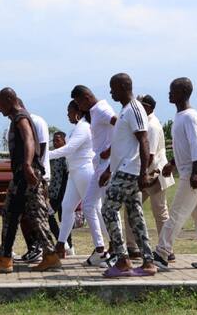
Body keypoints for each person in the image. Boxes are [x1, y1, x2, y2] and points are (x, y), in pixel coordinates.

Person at [0, 87, 61, 273]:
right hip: (24, 174)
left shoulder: (20, 117)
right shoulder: (19, 117)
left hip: (26, 174)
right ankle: (6, 257)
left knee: (29, 215)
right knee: (13, 213)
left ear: (10, 99)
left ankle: (47, 256)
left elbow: (29, 140)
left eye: (0, 104)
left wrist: (26, 165)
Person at [152, 78, 197, 269]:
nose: (169, 93)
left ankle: (161, 253)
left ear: (183, 92)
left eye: (172, 90)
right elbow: (184, 146)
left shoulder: (190, 116)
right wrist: (172, 163)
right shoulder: (181, 116)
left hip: (193, 173)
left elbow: (196, 145)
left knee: (176, 213)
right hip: (189, 170)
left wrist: (194, 173)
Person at [99, 73, 156, 278]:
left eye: (113, 87)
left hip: (130, 170)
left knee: (108, 210)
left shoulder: (134, 108)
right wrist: (108, 171)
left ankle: (123, 260)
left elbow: (144, 141)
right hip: (123, 169)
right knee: (135, 215)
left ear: (124, 86)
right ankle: (148, 262)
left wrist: (144, 173)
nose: (111, 92)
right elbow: (123, 145)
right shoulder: (125, 110)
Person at [70, 84, 115, 267]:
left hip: (106, 167)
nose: (79, 108)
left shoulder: (102, 109)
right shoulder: (95, 111)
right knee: (89, 205)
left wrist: (110, 151)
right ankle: (100, 250)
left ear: (86, 97)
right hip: (98, 166)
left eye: (79, 103)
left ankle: (117, 251)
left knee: (108, 210)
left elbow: (121, 126)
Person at [124, 94, 173, 259]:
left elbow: (150, 155)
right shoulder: (148, 122)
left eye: (140, 105)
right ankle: (133, 247)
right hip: (150, 172)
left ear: (149, 107)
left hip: (154, 173)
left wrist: (141, 174)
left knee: (159, 210)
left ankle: (166, 249)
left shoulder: (151, 125)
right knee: (136, 207)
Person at [52, 100, 102, 258]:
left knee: (93, 209)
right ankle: (61, 245)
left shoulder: (83, 127)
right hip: (75, 172)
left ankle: (102, 248)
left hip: (84, 171)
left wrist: (43, 155)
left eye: (69, 111)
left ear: (77, 112)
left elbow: (69, 148)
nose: (67, 115)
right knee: (67, 207)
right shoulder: (78, 127)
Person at [17, 109, 53, 263]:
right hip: (28, 175)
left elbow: (41, 147)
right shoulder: (18, 122)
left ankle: (46, 250)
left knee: (38, 214)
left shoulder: (36, 121)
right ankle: (35, 248)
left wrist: (33, 168)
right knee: (26, 214)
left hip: (37, 175)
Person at [48, 131, 70, 253]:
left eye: (58, 140)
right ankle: (61, 241)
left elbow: (67, 175)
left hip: (63, 193)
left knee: (65, 218)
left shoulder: (65, 155)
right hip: (53, 193)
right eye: (54, 140)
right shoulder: (53, 155)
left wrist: (64, 194)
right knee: (49, 215)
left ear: (64, 141)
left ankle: (68, 245)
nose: (55, 142)